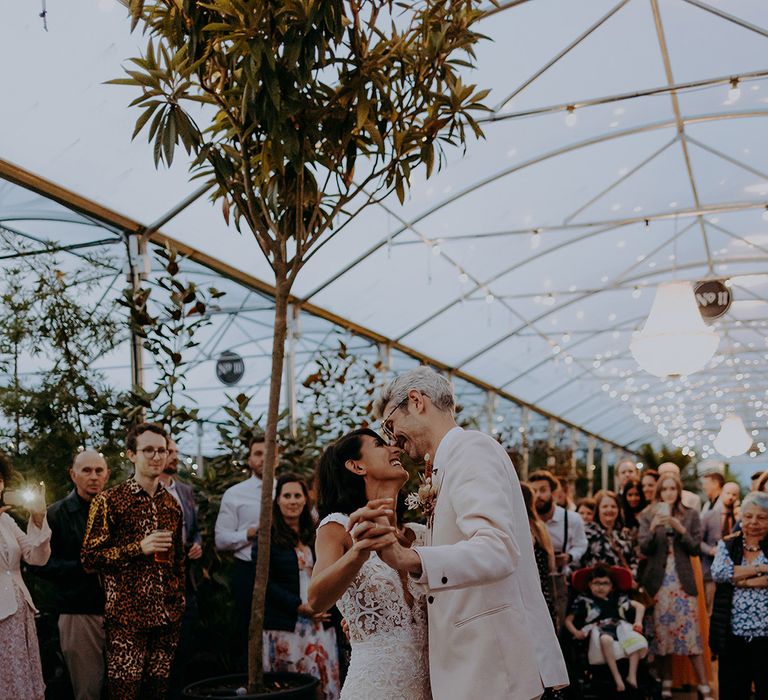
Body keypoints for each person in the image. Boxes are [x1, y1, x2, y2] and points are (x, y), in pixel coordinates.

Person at [348, 366, 569, 699]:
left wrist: (408, 557)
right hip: (476, 665)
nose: (393, 440)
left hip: (493, 666)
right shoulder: (447, 462)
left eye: (391, 425)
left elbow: (496, 550)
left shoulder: (470, 450)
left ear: (416, 401)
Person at [308, 428, 430, 699]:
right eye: (379, 444)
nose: (394, 449)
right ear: (356, 465)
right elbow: (316, 599)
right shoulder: (338, 528)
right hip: (374, 688)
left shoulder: (421, 535)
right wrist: (359, 552)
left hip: (433, 688)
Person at [82, 423, 185, 700]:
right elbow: (89, 558)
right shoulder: (110, 501)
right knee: (124, 694)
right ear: (131, 454)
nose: (156, 456)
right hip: (127, 619)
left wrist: (178, 601)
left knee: (158, 693)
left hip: (166, 617)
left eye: (161, 450)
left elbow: (178, 561)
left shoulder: (171, 505)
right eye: (148, 450)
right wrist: (137, 548)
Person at [30, 450, 109, 700]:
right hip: (79, 611)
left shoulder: (116, 509)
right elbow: (37, 564)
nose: (93, 476)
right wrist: (81, 568)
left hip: (119, 612)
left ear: (107, 475)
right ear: (73, 475)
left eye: (99, 470)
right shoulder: (56, 514)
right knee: (87, 690)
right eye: (87, 470)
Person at [257, 473, 340, 699]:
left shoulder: (317, 534)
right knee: (291, 688)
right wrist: (300, 606)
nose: (292, 501)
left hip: (320, 623)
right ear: (277, 500)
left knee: (320, 686)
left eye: (297, 495)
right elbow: (265, 585)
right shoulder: (267, 538)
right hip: (287, 625)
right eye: (287, 496)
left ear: (306, 499)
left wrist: (324, 606)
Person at [637, 473, 711, 700]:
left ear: (679, 491)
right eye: (664, 489)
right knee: (662, 638)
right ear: (659, 492)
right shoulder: (648, 515)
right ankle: (666, 684)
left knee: (691, 637)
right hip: (658, 584)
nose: (668, 493)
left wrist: (681, 529)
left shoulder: (690, 515)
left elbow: (696, 548)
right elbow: (643, 548)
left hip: (683, 583)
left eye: (672, 489)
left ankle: (704, 686)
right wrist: (652, 530)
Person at [215, 435, 274, 661]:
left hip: (281, 572)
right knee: (247, 630)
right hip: (247, 571)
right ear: (249, 459)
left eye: (269, 453)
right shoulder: (235, 494)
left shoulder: (287, 490)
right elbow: (220, 539)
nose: (264, 459)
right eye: (258, 454)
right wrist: (247, 534)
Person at [0, 452, 50, 700]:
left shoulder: (6, 520)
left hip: (20, 615)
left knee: (23, 684)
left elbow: (35, 557)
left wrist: (38, 517)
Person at [710, 491, 768, 700]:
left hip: (766, 637)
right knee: (733, 691)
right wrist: (762, 570)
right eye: (749, 516)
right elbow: (719, 573)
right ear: (741, 517)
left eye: (761, 517)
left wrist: (741, 578)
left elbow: (730, 573)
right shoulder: (728, 544)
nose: (754, 522)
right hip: (732, 635)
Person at [159, 439, 202, 700]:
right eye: (169, 452)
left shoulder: (185, 491)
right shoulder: (143, 491)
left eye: (175, 452)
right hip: (157, 585)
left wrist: (197, 544)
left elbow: (194, 529)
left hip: (186, 583)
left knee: (185, 651)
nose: (174, 457)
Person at [565, 564, 646, 692]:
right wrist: (576, 632)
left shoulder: (618, 598)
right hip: (599, 629)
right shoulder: (583, 599)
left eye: (605, 583)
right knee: (605, 640)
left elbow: (640, 607)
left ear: (612, 586)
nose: (600, 587)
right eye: (596, 583)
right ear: (589, 584)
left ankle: (632, 676)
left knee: (635, 639)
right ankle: (617, 678)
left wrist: (638, 622)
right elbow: (568, 620)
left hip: (620, 627)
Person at [529, 470, 588, 630]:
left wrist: (569, 557)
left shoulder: (572, 519)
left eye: (543, 490)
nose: (538, 495)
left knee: (559, 625)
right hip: (534, 581)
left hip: (561, 580)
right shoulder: (528, 521)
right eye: (534, 491)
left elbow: (581, 544)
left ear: (554, 494)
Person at [700, 480, 740, 614]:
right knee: (710, 609)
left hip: (733, 572)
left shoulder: (739, 518)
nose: (730, 497)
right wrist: (710, 550)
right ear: (722, 493)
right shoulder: (709, 515)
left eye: (734, 494)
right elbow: (697, 541)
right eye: (728, 493)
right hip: (710, 571)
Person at [581, 490, 636, 576]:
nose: (609, 510)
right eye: (605, 506)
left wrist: (632, 575)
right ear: (598, 509)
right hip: (596, 585)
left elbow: (633, 561)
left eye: (613, 506)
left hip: (621, 585)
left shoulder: (624, 534)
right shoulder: (587, 532)